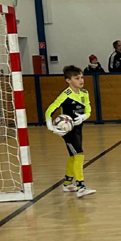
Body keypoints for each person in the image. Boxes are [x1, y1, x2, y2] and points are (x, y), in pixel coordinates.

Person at [44, 65, 96, 198]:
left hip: (78, 129)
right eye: (77, 78)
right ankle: (80, 186)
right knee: (79, 155)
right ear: (68, 80)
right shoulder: (65, 95)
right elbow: (50, 109)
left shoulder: (84, 93)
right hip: (68, 131)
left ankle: (67, 183)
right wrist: (50, 125)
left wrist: (84, 116)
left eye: (82, 77)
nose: (81, 80)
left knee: (73, 156)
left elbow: (88, 109)